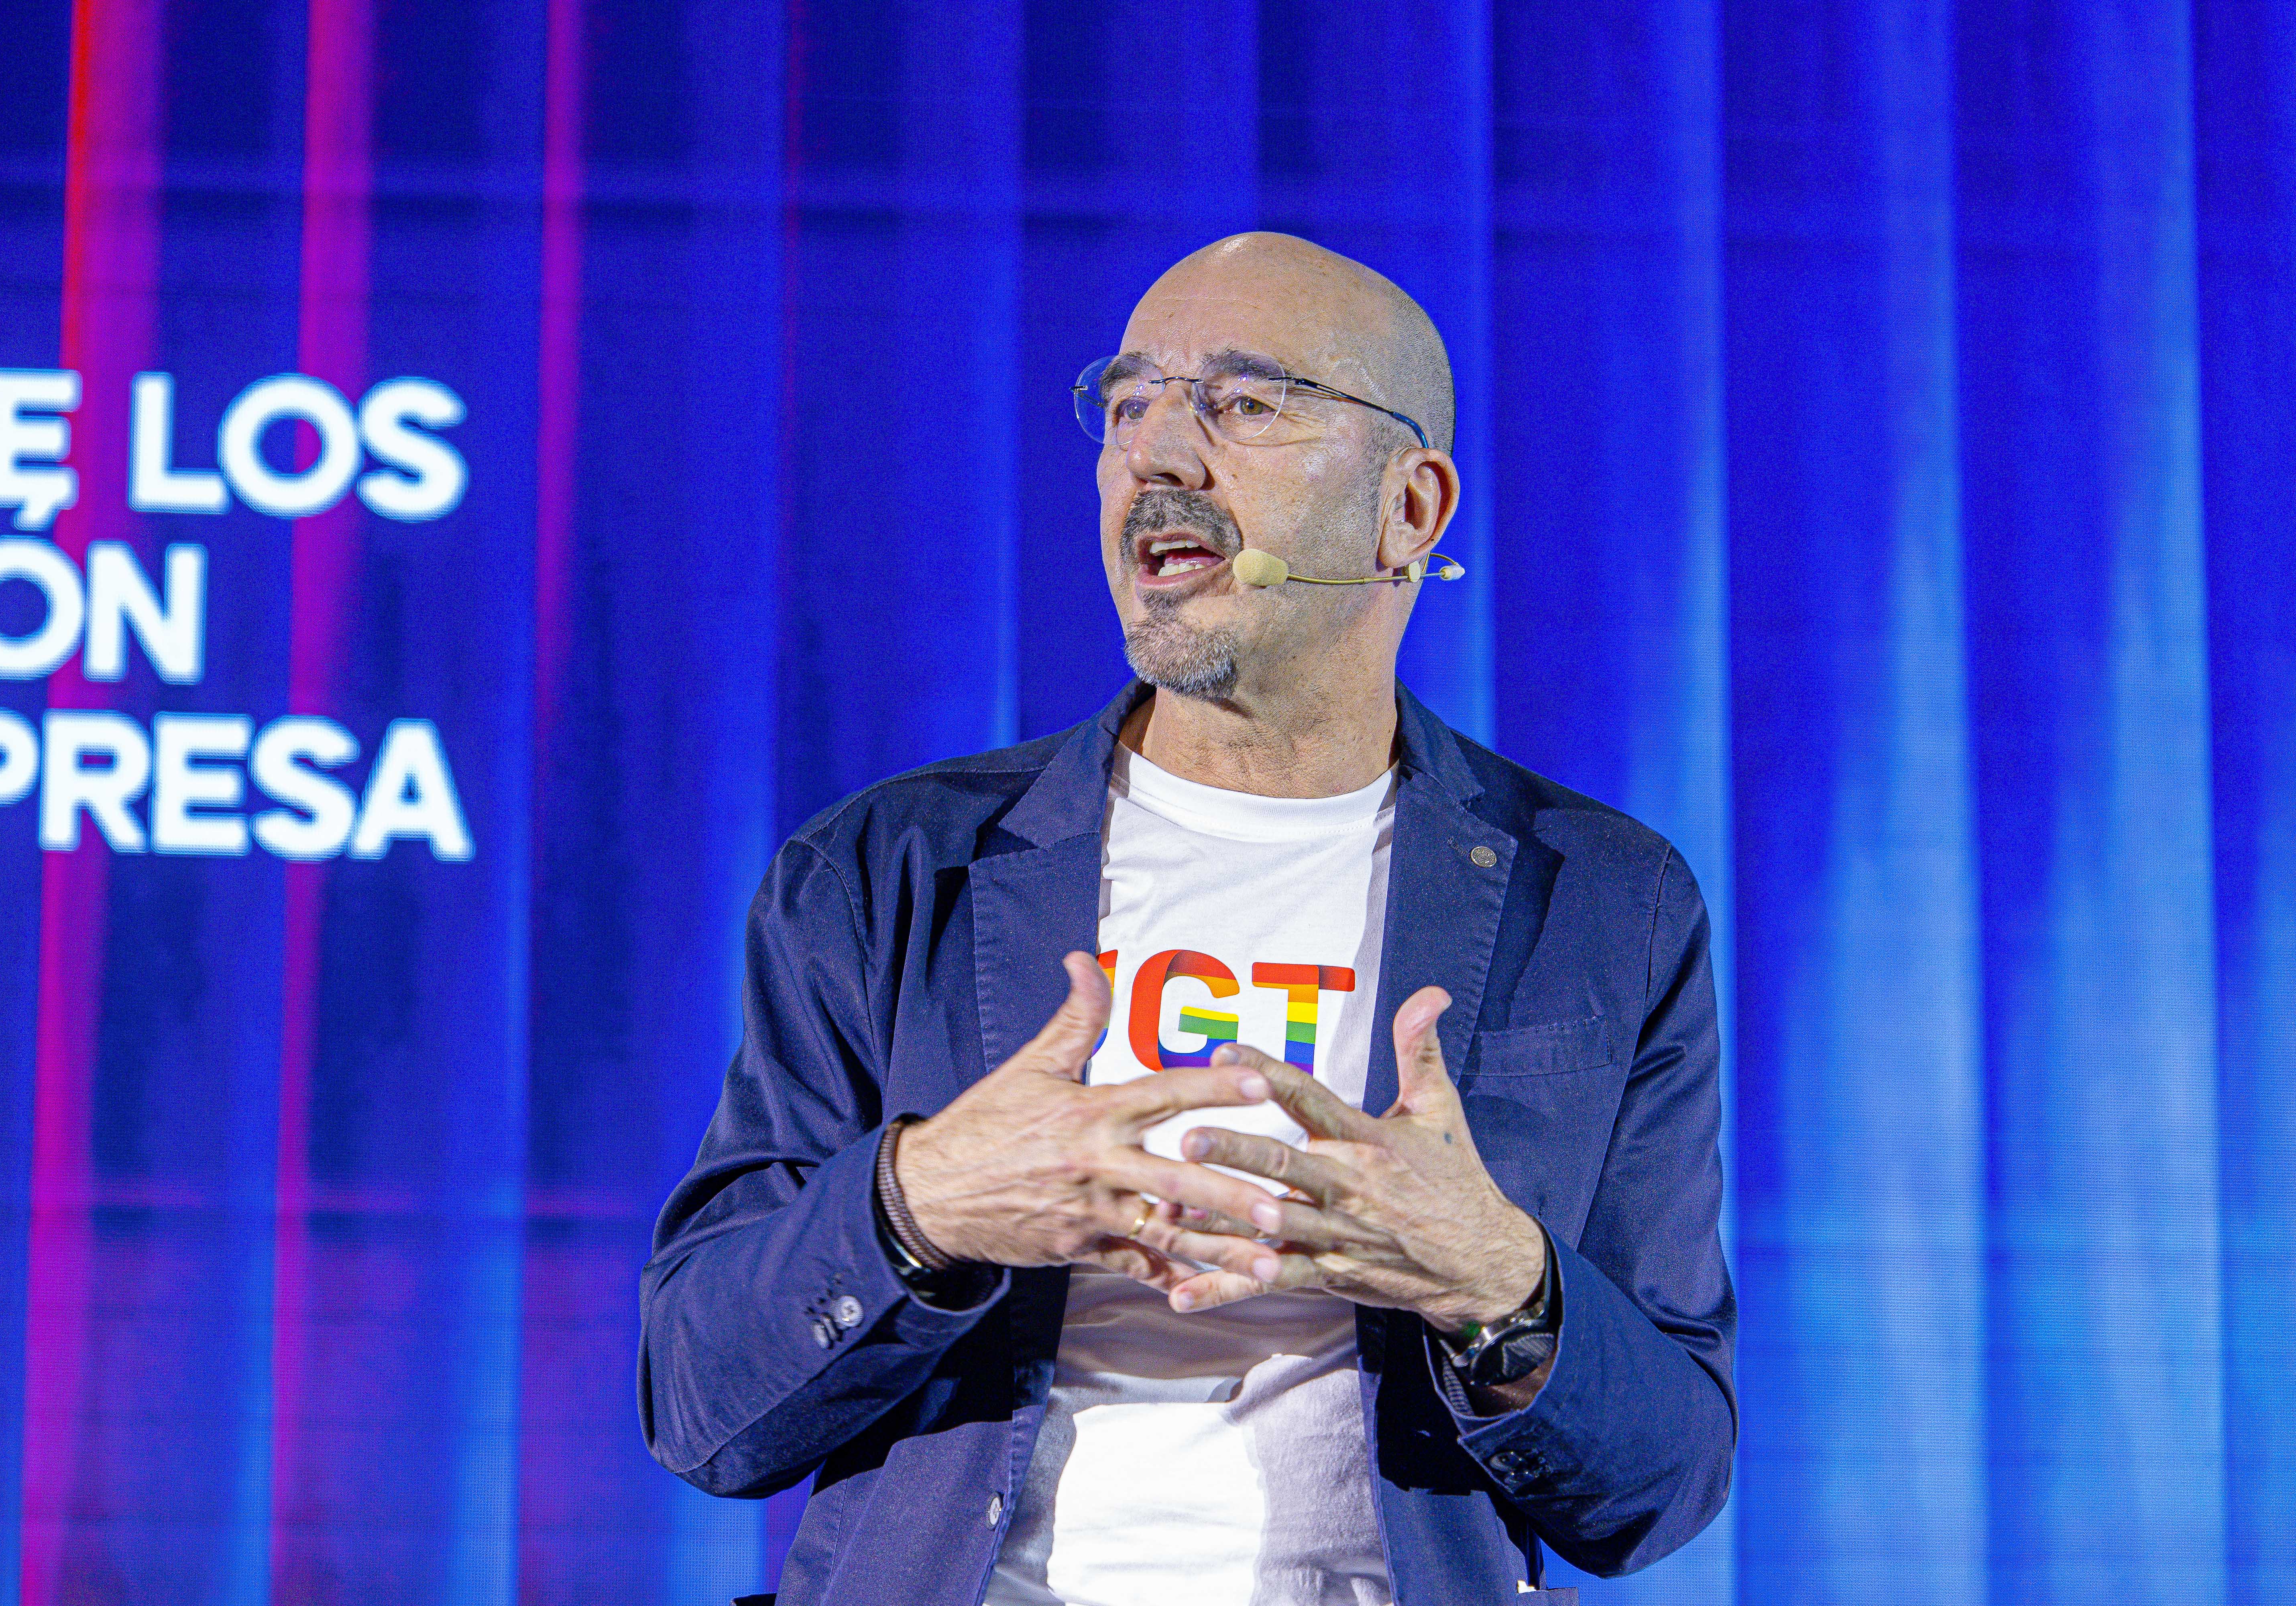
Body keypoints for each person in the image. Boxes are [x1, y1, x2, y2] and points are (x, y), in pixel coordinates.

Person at [640, 232, 1734, 1606]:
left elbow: (1661, 1486)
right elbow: (701, 1407)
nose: (1157, 454)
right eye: (1129, 403)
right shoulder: (890, 870)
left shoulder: (1604, 902)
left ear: (1409, 510)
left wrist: (1498, 1281)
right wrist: (925, 1203)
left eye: (1244, 401)